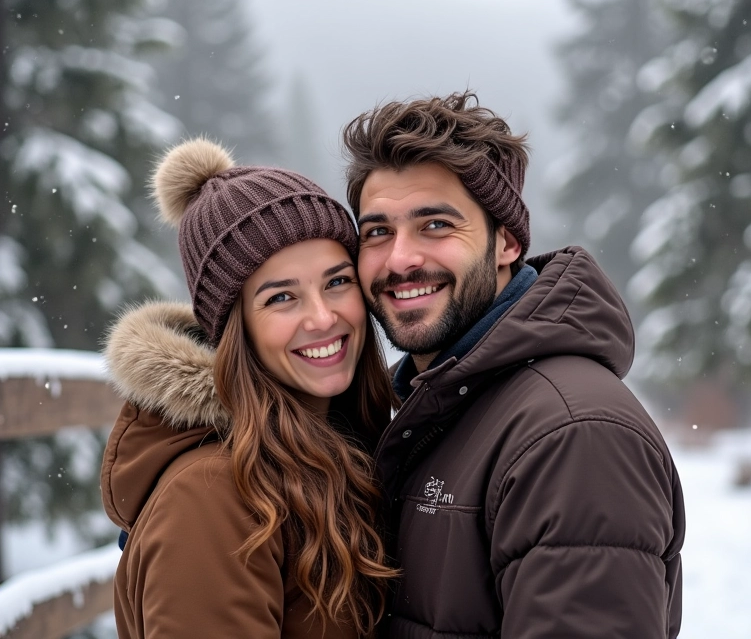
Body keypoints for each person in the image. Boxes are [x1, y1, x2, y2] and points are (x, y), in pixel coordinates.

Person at [342, 92, 686, 638]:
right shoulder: (439, 407)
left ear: (506, 242)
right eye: (378, 231)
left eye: (434, 225)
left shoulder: (573, 435)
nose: (400, 258)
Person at [100, 137, 399, 638]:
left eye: (336, 282)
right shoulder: (211, 496)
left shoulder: (336, 443)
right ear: (234, 327)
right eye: (282, 297)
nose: (323, 318)